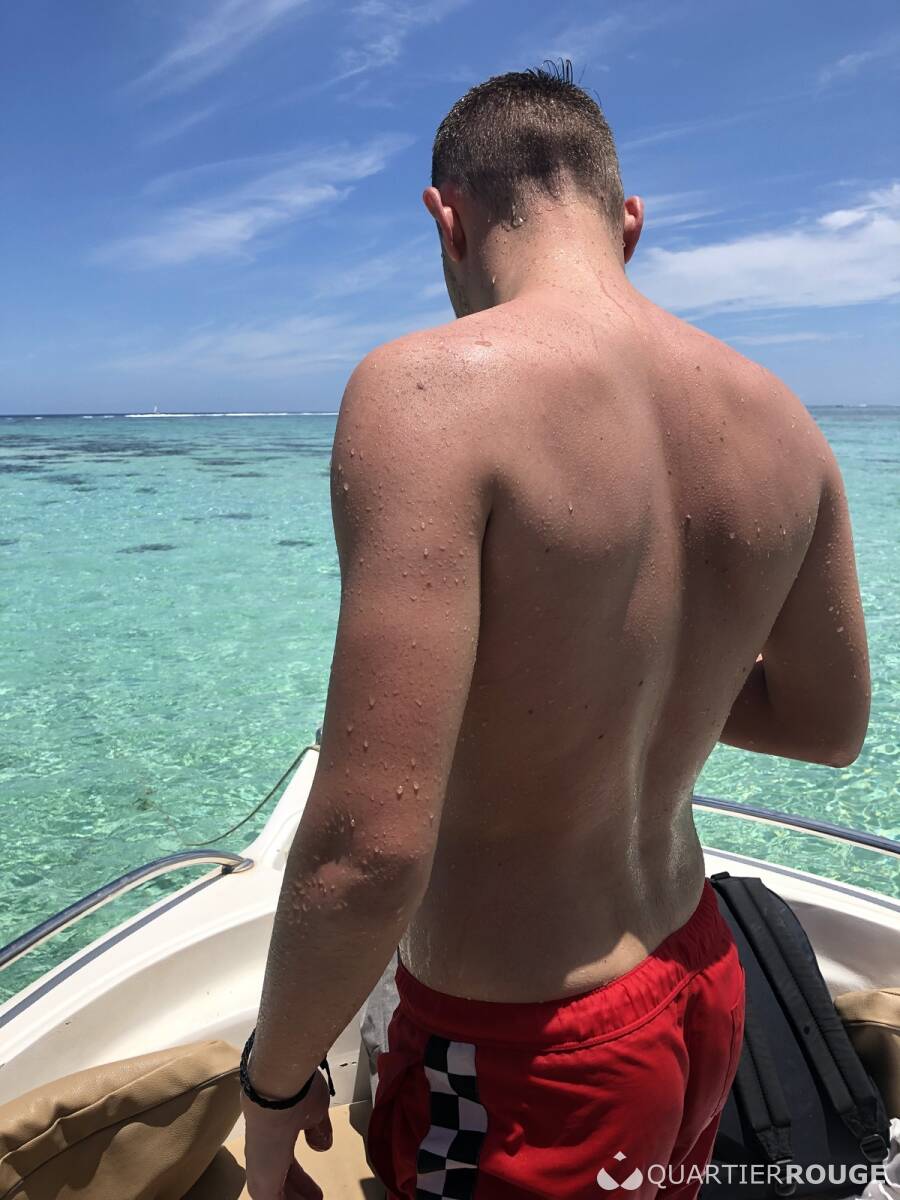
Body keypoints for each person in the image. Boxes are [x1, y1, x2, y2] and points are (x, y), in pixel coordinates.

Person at [238, 62, 871, 1200]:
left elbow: (367, 849)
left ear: (447, 218)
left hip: (524, 1055)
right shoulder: (784, 424)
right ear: (630, 222)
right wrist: (634, 672)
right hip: (697, 979)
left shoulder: (428, 392)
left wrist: (275, 1087)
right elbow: (830, 728)